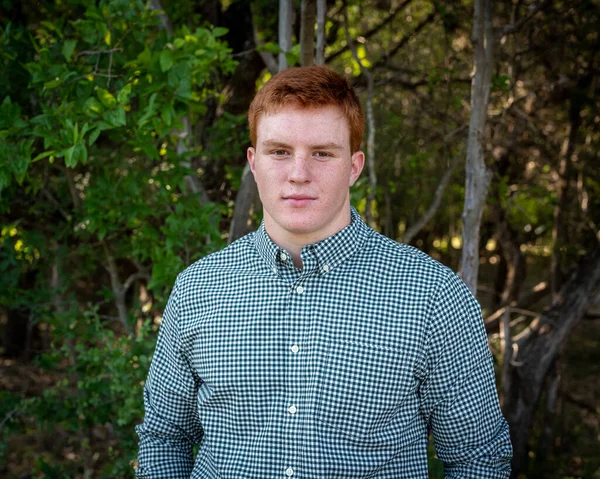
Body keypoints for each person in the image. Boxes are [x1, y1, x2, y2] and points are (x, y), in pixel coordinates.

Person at [136, 65, 512, 478]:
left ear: (353, 166)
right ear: (254, 162)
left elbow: (478, 459)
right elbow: (164, 436)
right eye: (279, 151)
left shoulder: (433, 295)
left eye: (322, 153)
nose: (299, 173)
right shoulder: (198, 288)